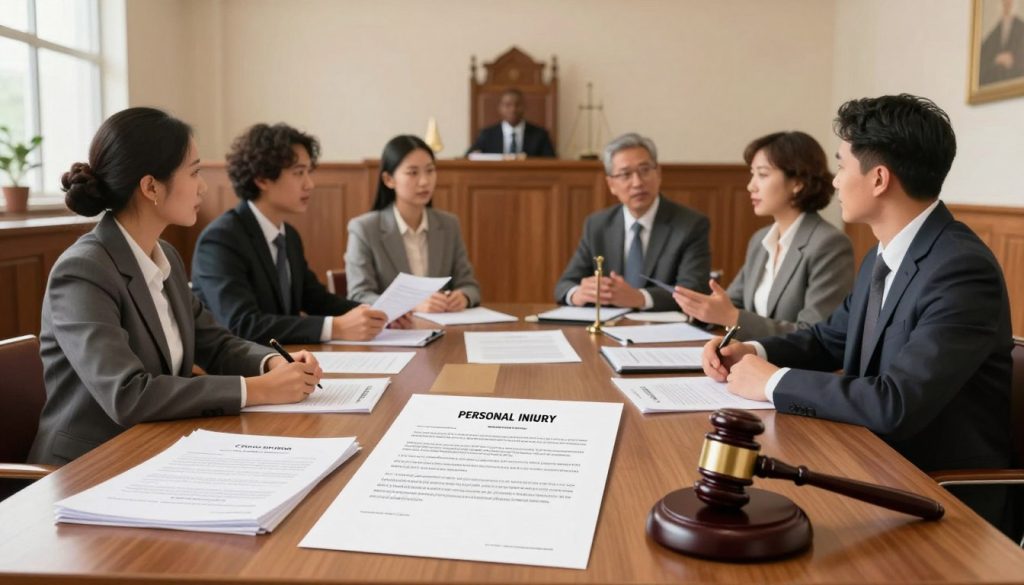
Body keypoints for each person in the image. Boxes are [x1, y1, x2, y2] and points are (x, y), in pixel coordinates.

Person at [702, 94, 1013, 532]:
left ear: (879, 178)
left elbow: (895, 402)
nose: (834, 182)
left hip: (939, 494)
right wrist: (752, 350)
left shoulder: (960, 268)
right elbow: (829, 338)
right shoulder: (881, 256)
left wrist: (771, 381)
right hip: (872, 462)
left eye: (842, 166)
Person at [29, 108, 322, 465]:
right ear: (151, 187)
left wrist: (271, 363)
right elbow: (127, 394)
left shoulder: (164, 254)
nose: (203, 185)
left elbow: (215, 344)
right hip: (88, 465)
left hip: (156, 447)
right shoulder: (82, 271)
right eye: (194, 172)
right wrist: (254, 390)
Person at [191, 123, 395, 345]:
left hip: (286, 357)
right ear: (262, 179)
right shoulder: (221, 239)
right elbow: (243, 324)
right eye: (298, 173)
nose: (309, 184)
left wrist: (379, 313)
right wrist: (335, 327)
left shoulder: (289, 236)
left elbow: (316, 299)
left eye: (308, 172)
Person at [673, 131, 854, 339]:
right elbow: (733, 303)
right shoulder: (760, 239)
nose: (751, 186)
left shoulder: (829, 244)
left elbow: (815, 334)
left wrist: (732, 317)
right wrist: (702, 310)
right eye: (753, 174)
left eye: (762, 174)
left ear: (797, 182)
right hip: (751, 354)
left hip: (784, 360)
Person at [554, 132, 711, 311]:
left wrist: (640, 298)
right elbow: (564, 285)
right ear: (611, 184)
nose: (637, 183)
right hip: (610, 324)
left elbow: (694, 290)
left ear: (658, 173)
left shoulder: (690, 225)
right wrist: (578, 293)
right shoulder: (597, 225)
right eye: (625, 174)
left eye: (644, 170)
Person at [346, 135, 481, 311]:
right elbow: (359, 295)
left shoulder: (449, 225)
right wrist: (410, 306)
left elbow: (469, 285)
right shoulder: (364, 229)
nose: (424, 181)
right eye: (413, 173)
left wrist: (463, 296)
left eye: (430, 171)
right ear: (388, 180)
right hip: (393, 327)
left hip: (443, 323)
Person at [466, 88, 556, 158]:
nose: (513, 109)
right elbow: (467, 159)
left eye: (517, 105)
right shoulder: (487, 135)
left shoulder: (540, 135)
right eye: (508, 105)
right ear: (500, 108)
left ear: (524, 107)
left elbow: (552, 164)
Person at [979, 0, 1024, 85]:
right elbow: (982, 57)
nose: (1007, 3)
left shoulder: (1022, 28)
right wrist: (996, 59)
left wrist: (1013, 59)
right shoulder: (994, 33)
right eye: (1005, 1)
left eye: (1010, 1)